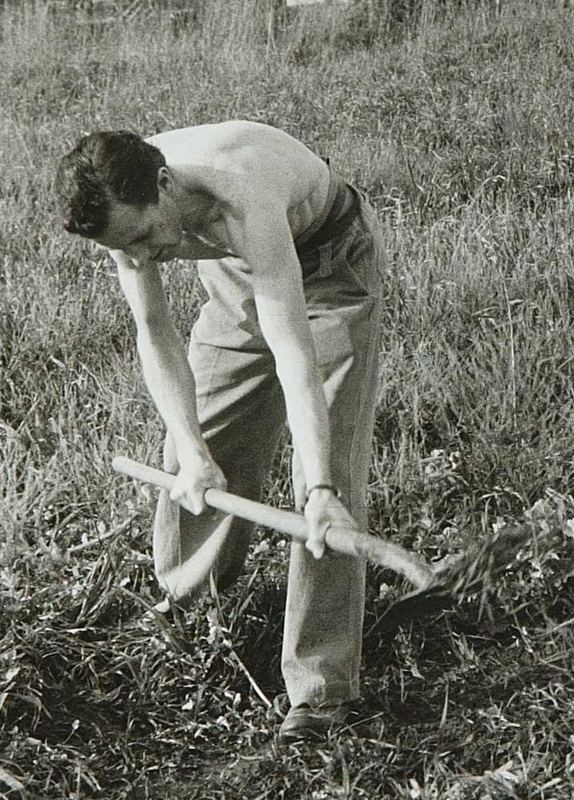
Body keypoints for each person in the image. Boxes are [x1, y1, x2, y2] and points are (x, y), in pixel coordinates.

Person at [56, 121, 386, 742]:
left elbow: (294, 355)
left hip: (328, 265)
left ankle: (320, 689)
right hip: (238, 273)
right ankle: (184, 601)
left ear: (165, 185)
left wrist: (317, 490)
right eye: (130, 248)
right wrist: (190, 449)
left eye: (150, 235)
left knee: (331, 482)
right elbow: (154, 333)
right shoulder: (125, 214)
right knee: (204, 435)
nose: (148, 255)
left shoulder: (244, 192)